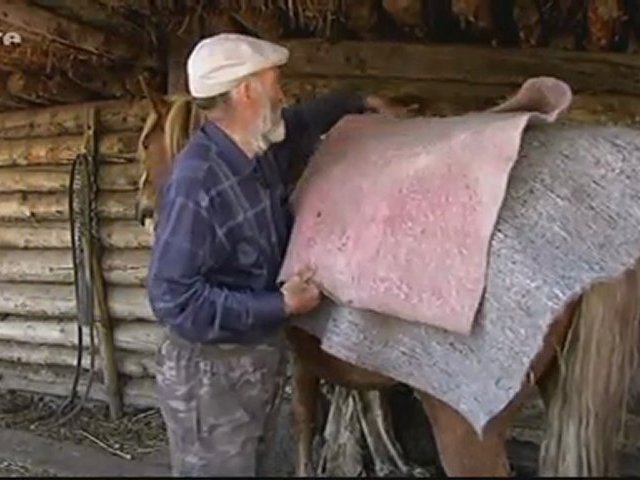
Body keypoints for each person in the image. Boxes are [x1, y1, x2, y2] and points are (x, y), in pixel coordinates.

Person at [147, 32, 409, 477]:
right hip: (212, 377)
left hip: (255, 362)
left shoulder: (255, 151)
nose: (283, 94)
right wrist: (280, 305)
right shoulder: (198, 183)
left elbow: (304, 121)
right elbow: (175, 299)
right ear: (246, 92)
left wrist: (361, 101)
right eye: (275, 83)